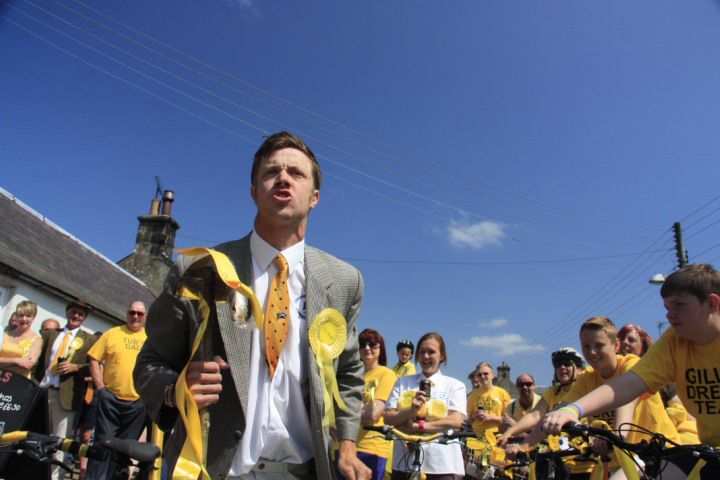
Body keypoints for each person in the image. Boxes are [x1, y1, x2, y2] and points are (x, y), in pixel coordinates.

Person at [134, 132, 370, 480]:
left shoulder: (344, 281)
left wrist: (347, 445)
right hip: (213, 469)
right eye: (271, 172)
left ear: (315, 197)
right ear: (253, 192)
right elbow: (150, 364)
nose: (283, 178)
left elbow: (347, 374)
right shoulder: (198, 269)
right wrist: (176, 388)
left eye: (296, 173)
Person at [542, 264, 720, 479]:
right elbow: (630, 383)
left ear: (711, 303)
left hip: (676, 443)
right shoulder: (674, 341)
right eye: (667, 307)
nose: (670, 315)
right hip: (706, 451)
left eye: (679, 305)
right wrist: (573, 410)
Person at [536, 317, 678, 478]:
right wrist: (525, 445)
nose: (592, 352)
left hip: (657, 451)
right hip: (619, 460)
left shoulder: (631, 365)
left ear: (616, 345)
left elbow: (625, 400)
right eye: (586, 346)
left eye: (599, 346)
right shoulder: (587, 377)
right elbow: (561, 409)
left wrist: (615, 435)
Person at [498, 348, 594, 479]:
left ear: (579, 368)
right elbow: (535, 416)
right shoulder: (552, 392)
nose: (562, 367)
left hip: (585, 461)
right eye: (558, 365)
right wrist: (509, 433)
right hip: (557, 460)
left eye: (567, 363)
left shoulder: (587, 389)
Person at [384, 332, 466, 479]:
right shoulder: (402, 382)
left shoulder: (455, 385)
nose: (426, 356)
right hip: (404, 462)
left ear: (442, 356)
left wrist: (418, 427)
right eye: (422, 352)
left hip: (440, 464)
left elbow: (455, 421)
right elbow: (388, 418)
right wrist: (410, 411)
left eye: (431, 352)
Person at [34, 299, 97, 480]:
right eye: (74, 312)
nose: (76, 316)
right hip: (43, 390)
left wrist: (75, 367)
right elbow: (39, 360)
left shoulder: (89, 339)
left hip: (66, 396)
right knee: (37, 435)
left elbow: (94, 366)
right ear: (67, 313)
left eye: (80, 314)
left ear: (84, 318)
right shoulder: (52, 334)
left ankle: (55, 477)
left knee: (60, 441)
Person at [85, 301, 149, 480]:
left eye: (139, 314)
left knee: (124, 450)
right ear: (127, 314)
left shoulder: (150, 338)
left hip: (137, 403)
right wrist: (100, 389)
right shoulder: (112, 333)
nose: (135, 316)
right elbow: (93, 359)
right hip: (110, 399)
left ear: (145, 317)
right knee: (102, 445)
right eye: (132, 312)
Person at [337, 329, 397, 480]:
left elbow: (373, 414)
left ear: (381, 348)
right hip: (341, 447)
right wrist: (361, 409)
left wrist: (344, 412)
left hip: (371, 448)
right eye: (362, 344)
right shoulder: (348, 376)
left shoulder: (387, 374)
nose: (367, 348)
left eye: (372, 344)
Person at [466, 362, 511, 444]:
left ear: (492, 376)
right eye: (480, 375)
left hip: (497, 437)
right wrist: (474, 416)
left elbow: (510, 419)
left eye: (485, 374)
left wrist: (491, 417)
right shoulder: (474, 394)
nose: (483, 376)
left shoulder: (502, 393)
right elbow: (466, 419)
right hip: (477, 438)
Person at [0, 300, 42, 378]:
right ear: (17, 316)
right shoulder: (4, 335)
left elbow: (27, 366)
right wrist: (16, 361)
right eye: (21, 315)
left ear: (33, 317)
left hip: (18, 381)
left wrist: (3, 363)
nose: (24, 319)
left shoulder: (37, 340)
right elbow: (21, 364)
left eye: (28, 316)